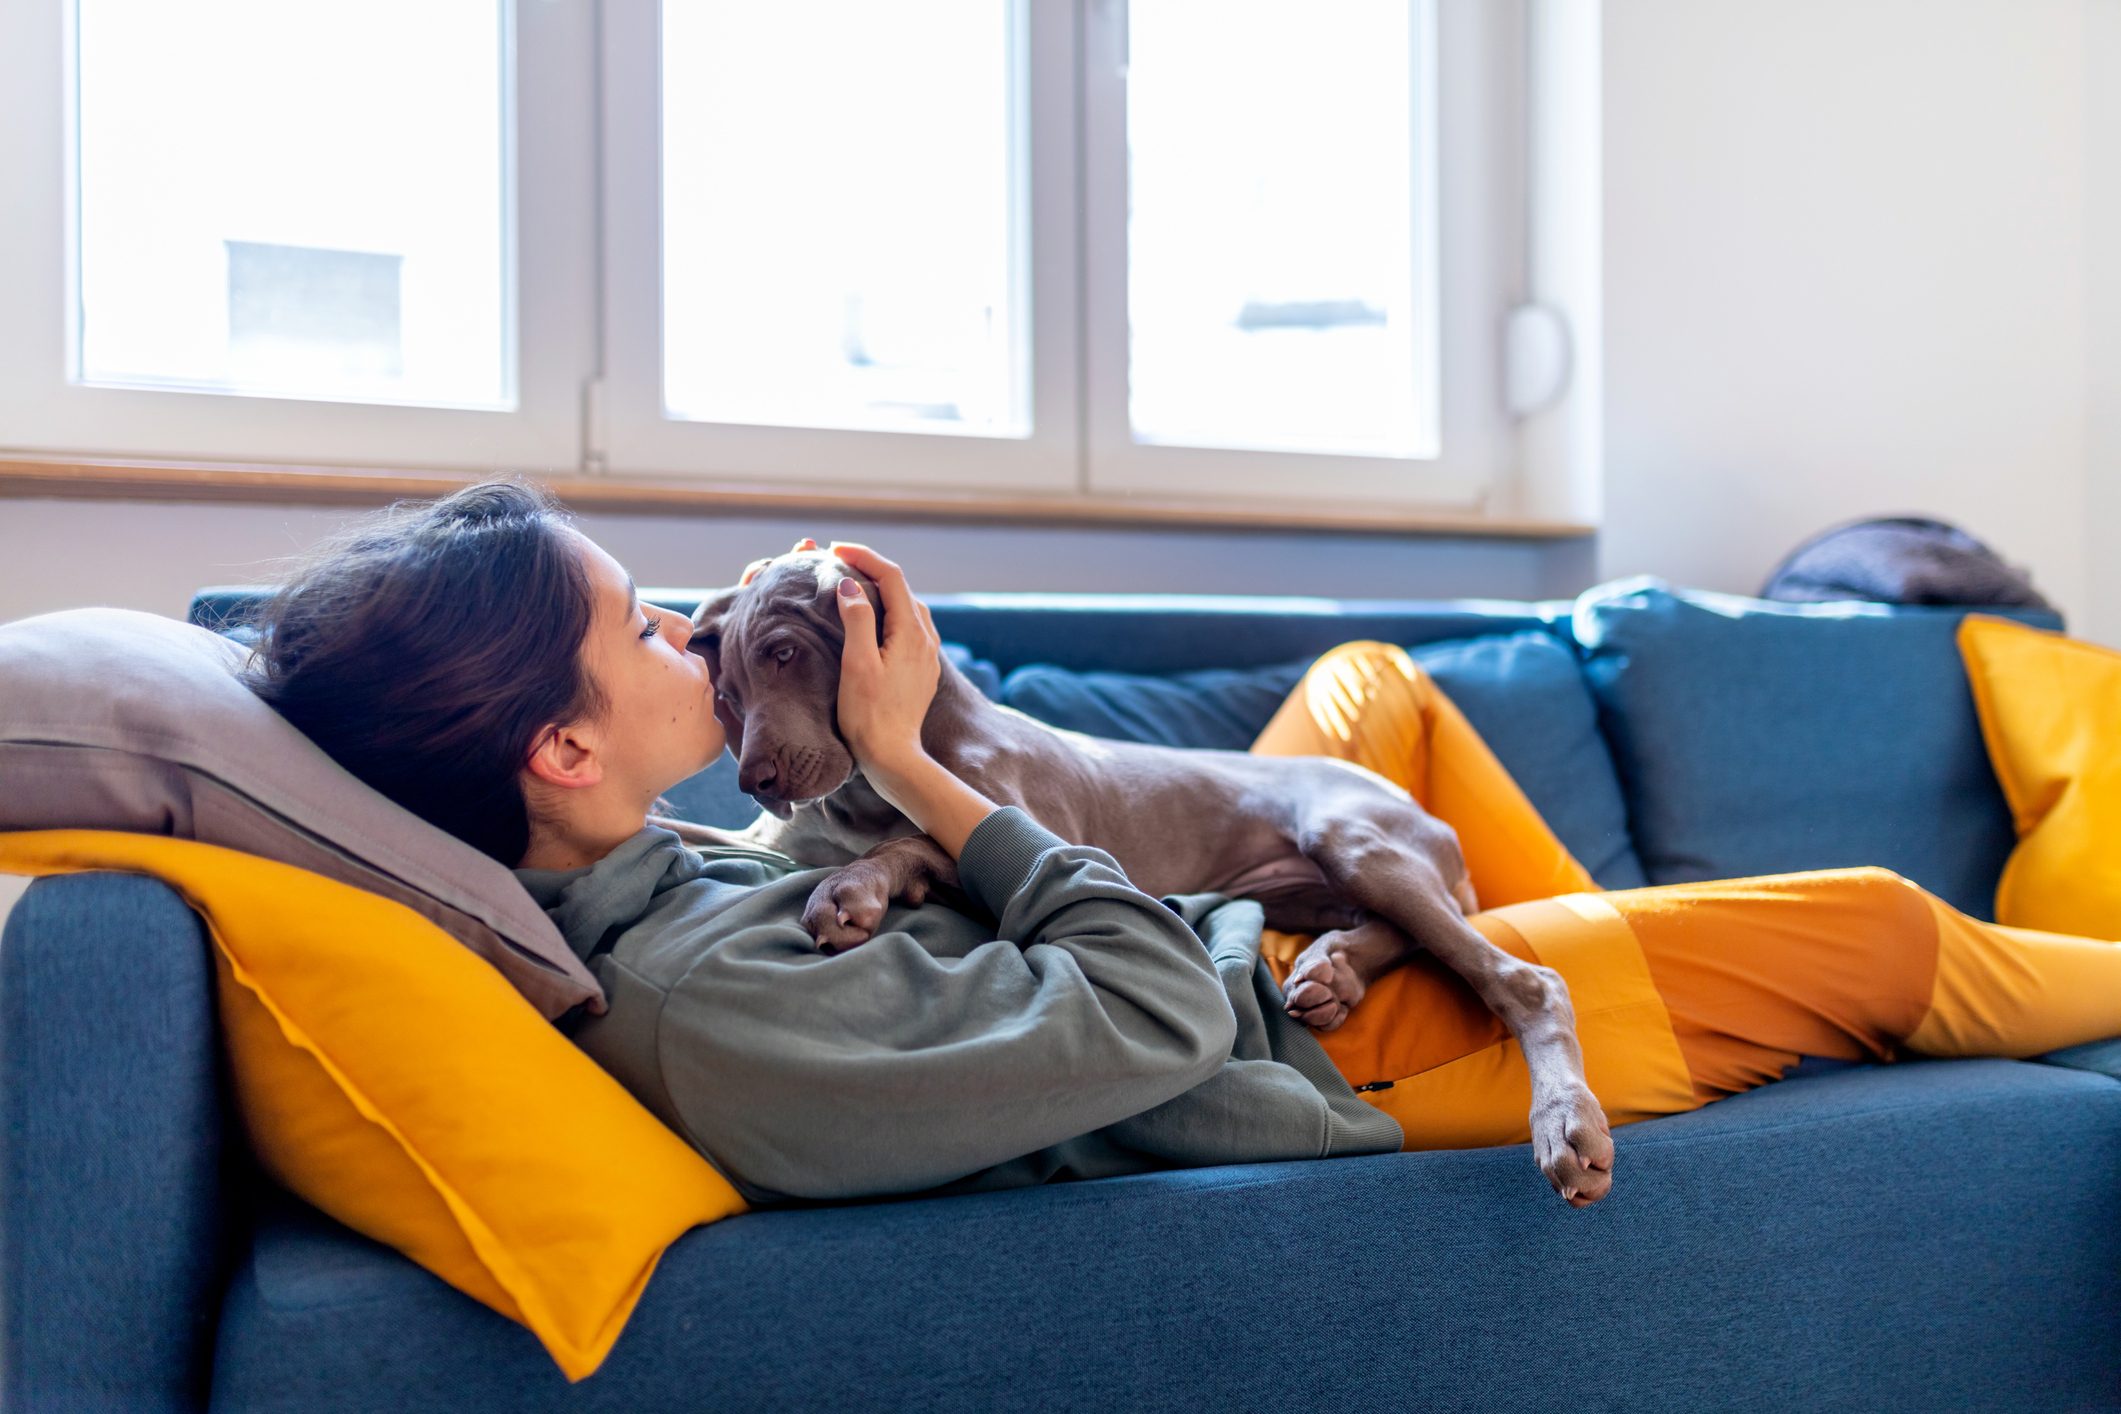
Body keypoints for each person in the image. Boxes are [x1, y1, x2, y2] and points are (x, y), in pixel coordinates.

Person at [247, 478, 2121, 1208]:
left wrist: (902, 782)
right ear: (563, 744)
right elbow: (1147, 1001)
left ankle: (1496, 921)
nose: (698, 631)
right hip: (1305, 1040)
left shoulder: (664, 872)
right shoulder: (702, 1005)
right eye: (652, 633)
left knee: (1369, 685)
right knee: (1882, 930)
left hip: (1280, 923)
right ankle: (1528, 956)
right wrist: (923, 768)